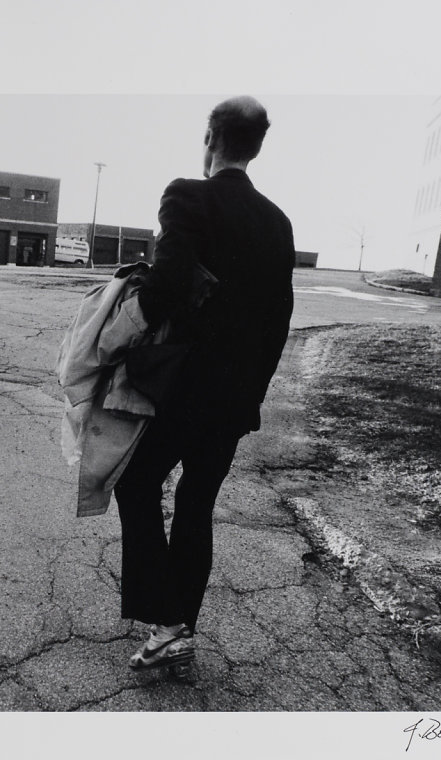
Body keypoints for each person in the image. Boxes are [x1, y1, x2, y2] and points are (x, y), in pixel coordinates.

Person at [112, 96, 296, 672]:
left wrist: (123, 315)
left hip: (182, 389)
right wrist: (251, 395)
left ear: (211, 138)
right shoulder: (277, 221)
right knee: (196, 504)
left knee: (136, 483)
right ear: (256, 146)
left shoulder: (187, 195)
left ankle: (166, 618)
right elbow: (279, 320)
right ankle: (177, 627)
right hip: (235, 396)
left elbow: (165, 284)